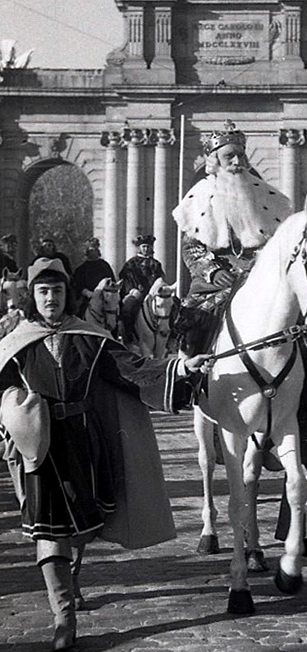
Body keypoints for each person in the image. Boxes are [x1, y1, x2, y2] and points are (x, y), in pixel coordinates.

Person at [0, 257, 211, 650]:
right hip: (40, 450)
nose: (51, 299)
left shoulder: (89, 337)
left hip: (85, 442)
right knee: (50, 528)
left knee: (83, 525)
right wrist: (12, 423)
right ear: (33, 296)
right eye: (44, 292)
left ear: (67, 295)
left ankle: (73, 574)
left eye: (58, 291)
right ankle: (64, 616)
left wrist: (179, 369)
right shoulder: (15, 346)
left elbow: (133, 371)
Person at [172, 120, 291, 354]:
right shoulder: (198, 198)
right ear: (215, 162)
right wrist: (213, 271)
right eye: (229, 157)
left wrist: (259, 266)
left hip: (258, 274)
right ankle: (191, 377)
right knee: (195, 320)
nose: (237, 163)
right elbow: (191, 248)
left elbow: (277, 242)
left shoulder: (266, 196)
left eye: (240, 156)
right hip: (214, 282)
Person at [118, 235, 165, 344]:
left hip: (153, 295)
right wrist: (132, 290)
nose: (146, 249)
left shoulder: (156, 264)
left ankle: (170, 337)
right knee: (127, 309)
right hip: (136, 293)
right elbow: (126, 278)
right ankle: (128, 336)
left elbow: (160, 278)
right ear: (139, 247)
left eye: (148, 246)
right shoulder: (131, 263)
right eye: (144, 246)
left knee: (172, 305)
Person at [71, 238, 115, 317]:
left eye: (95, 249)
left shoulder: (105, 265)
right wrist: (86, 292)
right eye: (91, 250)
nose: (94, 252)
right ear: (87, 252)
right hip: (88, 299)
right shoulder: (81, 269)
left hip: (105, 298)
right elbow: (77, 285)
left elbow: (112, 281)